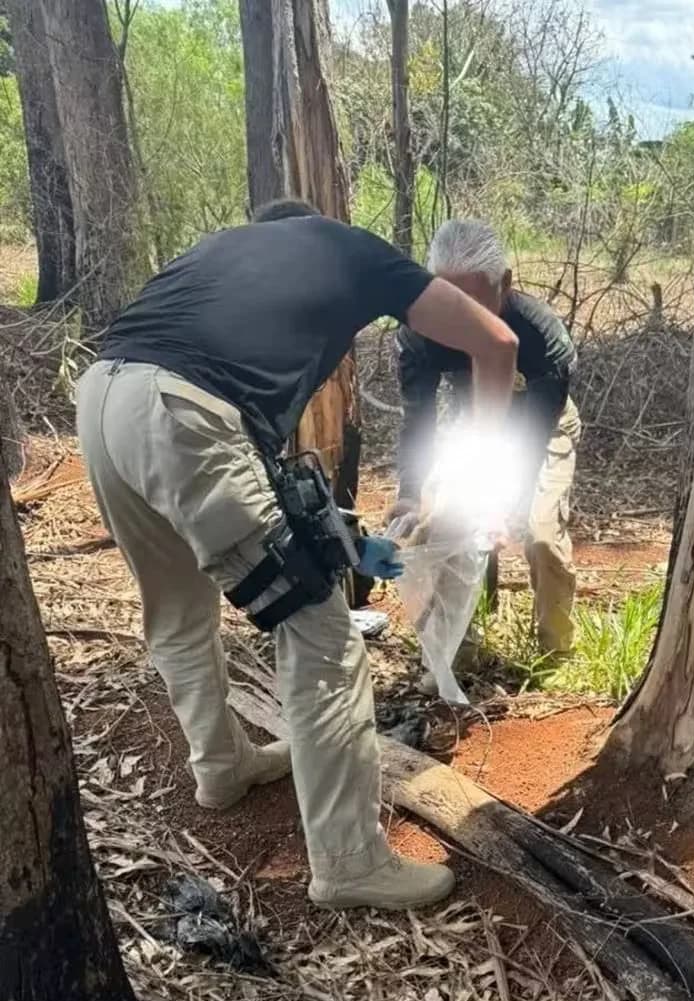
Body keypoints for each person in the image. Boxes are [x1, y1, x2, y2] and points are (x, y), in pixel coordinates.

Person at [76, 199, 517, 911]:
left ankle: (220, 766)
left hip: (102, 399)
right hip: (185, 412)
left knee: (178, 605)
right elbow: (495, 342)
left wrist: (341, 542)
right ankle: (348, 862)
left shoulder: (222, 253)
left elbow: (256, 475)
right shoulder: (352, 251)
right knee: (323, 637)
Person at [391, 219, 580, 663]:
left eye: (475, 300)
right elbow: (419, 422)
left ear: (506, 285)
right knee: (435, 531)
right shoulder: (419, 333)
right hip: (470, 427)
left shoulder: (542, 336)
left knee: (540, 536)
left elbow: (531, 441)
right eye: (449, 300)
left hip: (541, 429)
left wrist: (501, 504)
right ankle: (458, 648)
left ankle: (556, 652)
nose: (462, 316)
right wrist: (410, 493)